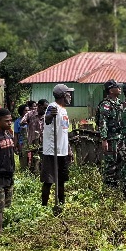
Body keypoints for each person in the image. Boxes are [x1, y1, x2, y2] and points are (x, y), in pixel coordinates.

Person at [41, 84, 73, 214]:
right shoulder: (52, 107)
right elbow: (47, 120)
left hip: (62, 150)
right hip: (52, 151)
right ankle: (43, 206)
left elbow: (64, 132)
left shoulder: (64, 110)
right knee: (49, 180)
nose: (70, 96)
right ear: (62, 95)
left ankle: (61, 204)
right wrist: (50, 115)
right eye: (68, 93)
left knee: (61, 180)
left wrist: (69, 149)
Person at [97, 79, 123, 189]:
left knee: (119, 163)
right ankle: (109, 188)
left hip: (119, 138)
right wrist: (104, 139)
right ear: (111, 90)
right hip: (110, 138)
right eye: (117, 87)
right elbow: (102, 122)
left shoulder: (119, 103)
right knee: (110, 164)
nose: (120, 88)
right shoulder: (106, 104)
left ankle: (116, 186)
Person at [22, 99, 48, 174]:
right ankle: (34, 173)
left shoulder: (46, 115)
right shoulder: (30, 114)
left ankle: (42, 172)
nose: (46, 109)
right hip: (33, 140)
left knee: (43, 158)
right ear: (39, 106)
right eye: (44, 108)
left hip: (44, 141)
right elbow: (22, 122)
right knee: (34, 158)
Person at [14, 104, 30, 171]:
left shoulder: (32, 120)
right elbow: (16, 134)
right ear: (21, 111)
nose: (27, 112)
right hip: (22, 143)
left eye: (28, 110)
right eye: (25, 110)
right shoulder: (17, 122)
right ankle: (23, 171)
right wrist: (15, 145)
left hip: (31, 142)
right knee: (23, 159)